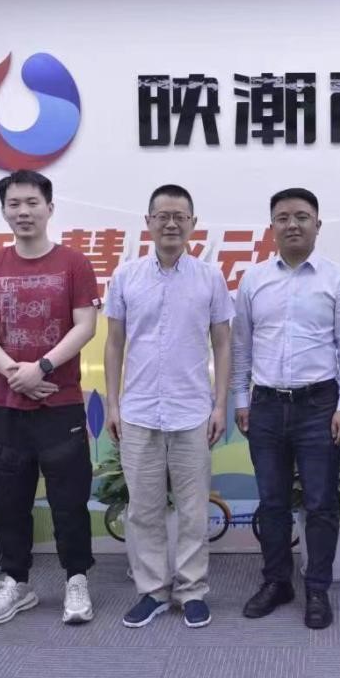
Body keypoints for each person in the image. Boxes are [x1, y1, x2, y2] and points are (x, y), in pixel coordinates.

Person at [0, 169, 99, 626]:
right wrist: (13, 373)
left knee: (69, 499)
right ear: (4, 211)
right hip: (5, 406)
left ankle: (76, 580)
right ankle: (16, 583)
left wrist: (40, 368)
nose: (23, 211)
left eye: (32, 202)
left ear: (49, 207)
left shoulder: (74, 264)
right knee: (6, 500)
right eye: (14, 204)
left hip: (60, 403)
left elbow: (86, 326)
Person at [104, 184, 233, 630]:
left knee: (194, 510)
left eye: (180, 216)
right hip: (138, 411)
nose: (171, 224)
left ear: (193, 224)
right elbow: (114, 343)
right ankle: (153, 591)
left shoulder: (210, 278)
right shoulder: (126, 276)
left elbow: (223, 343)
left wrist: (220, 405)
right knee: (143, 509)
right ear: (148, 223)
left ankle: (192, 591)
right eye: (163, 216)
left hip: (192, 410)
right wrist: (113, 404)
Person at [232, 187, 340, 630]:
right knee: (272, 502)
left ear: (317, 225)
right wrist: (241, 400)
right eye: (283, 217)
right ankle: (276, 582)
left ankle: (317, 588)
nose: (292, 224)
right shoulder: (253, 280)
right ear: (271, 227)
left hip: (318, 405)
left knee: (321, 502)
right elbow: (242, 346)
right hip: (266, 405)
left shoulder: (338, 279)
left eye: (302, 216)